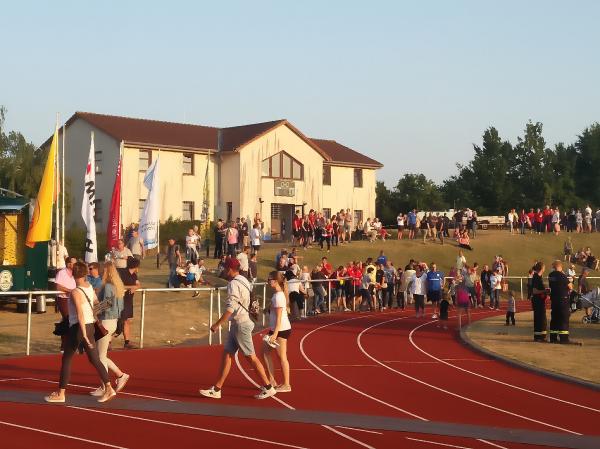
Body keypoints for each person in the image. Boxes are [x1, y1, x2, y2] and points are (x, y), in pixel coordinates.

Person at [199, 258, 276, 399]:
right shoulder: (244, 280)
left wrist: (217, 324)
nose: (223, 270)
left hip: (241, 324)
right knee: (227, 354)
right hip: (240, 323)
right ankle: (217, 389)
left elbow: (231, 308)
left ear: (229, 269)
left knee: (251, 357)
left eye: (225, 268)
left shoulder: (233, 284)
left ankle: (268, 386)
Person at [44, 261, 116, 404]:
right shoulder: (89, 287)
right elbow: (96, 305)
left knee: (67, 359)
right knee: (94, 359)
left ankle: (61, 393)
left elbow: (80, 314)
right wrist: (106, 305)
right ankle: (108, 387)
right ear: (85, 274)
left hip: (79, 328)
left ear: (72, 274)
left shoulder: (76, 292)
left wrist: (83, 333)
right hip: (89, 326)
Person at [92, 261, 130, 397]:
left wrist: (93, 310)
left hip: (106, 321)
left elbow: (107, 303)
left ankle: (110, 382)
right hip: (112, 321)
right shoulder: (117, 286)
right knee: (101, 355)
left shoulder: (108, 286)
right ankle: (112, 380)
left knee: (100, 356)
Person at [262, 271, 292, 393]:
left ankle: (286, 384)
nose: (268, 281)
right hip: (276, 329)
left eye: (269, 279)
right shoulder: (276, 295)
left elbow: (279, 317)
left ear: (275, 280)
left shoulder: (279, 296)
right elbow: (273, 311)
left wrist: (274, 334)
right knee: (265, 352)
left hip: (281, 330)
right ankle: (272, 381)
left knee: (282, 357)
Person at [548, 260, 575, 344]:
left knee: (554, 318)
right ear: (561, 266)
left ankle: (553, 338)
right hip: (563, 300)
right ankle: (564, 338)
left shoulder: (551, 275)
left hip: (554, 299)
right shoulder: (562, 276)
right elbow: (570, 287)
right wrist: (564, 275)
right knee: (563, 318)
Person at [118, 257, 141, 349]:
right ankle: (109, 342)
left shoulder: (134, 275)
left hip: (128, 301)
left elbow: (138, 284)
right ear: (135, 266)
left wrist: (135, 287)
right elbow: (119, 285)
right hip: (120, 300)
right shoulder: (122, 273)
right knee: (118, 321)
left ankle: (127, 342)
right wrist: (132, 286)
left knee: (127, 321)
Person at [55, 256, 77, 350]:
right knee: (68, 319)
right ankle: (65, 345)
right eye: (73, 263)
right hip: (63, 299)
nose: (75, 265)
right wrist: (69, 290)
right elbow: (58, 287)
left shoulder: (76, 273)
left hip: (73, 299)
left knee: (70, 321)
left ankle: (67, 344)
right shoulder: (61, 273)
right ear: (68, 264)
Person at [530, 261, 548, 342]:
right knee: (540, 318)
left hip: (539, 300)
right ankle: (540, 337)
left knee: (540, 318)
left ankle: (539, 336)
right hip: (538, 301)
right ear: (542, 268)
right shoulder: (536, 277)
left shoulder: (538, 277)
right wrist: (544, 291)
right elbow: (534, 291)